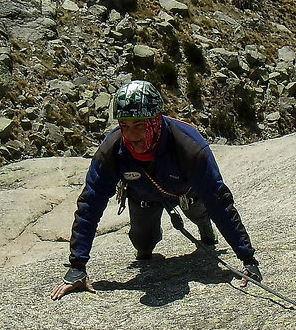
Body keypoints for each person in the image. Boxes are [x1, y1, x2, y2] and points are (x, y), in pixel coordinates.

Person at [51, 80, 261, 300]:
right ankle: (154, 239)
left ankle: (204, 226)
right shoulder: (113, 150)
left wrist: (247, 260)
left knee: (201, 211)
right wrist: (77, 266)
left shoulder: (188, 146)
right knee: (143, 245)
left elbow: (218, 200)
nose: (132, 136)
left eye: (139, 125)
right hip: (143, 195)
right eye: (125, 126)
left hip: (187, 192)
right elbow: (90, 205)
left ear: (156, 121)